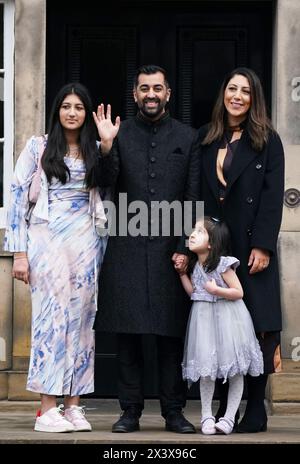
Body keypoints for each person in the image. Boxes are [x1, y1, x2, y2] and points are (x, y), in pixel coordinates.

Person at [92, 65, 200, 433]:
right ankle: (130, 412)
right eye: (143, 89)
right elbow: (104, 185)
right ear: (135, 94)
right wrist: (106, 146)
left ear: (168, 93)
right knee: (128, 337)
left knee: (171, 336)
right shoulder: (118, 136)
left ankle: (173, 411)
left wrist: (185, 245)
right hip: (125, 246)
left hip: (171, 250)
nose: (150, 94)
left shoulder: (188, 137)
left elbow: (192, 194)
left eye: (157, 88)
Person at [3, 82, 114, 433]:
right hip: (46, 239)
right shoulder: (38, 147)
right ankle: (47, 407)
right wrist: (19, 253)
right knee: (51, 320)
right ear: (57, 111)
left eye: (79, 108)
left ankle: (74, 406)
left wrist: (108, 144)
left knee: (82, 322)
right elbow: (18, 198)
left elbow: (110, 188)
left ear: (87, 113)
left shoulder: (96, 149)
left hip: (87, 241)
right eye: (66, 106)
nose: (71, 113)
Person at [198, 67, 285, 432]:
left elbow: (271, 196)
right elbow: (197, 192)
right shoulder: (205, 137)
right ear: (224, 94)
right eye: (231, 88)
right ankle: (223, 405)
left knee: (257, 324)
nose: (237, 96)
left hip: (252, 247)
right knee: (220, 325)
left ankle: (255, 406)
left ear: (254, 99)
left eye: (245, 91)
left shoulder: (267, 140)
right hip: (217, 246)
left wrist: (264, 244)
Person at [177, 217, 264, 435]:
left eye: (200, 231)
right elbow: (193, 293)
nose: (193, 234)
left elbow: (238, 292)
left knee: (234, 370)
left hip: (229, 320)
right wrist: (182, 276)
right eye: (193, 230)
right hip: (204, 320)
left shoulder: (223, 264)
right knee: (207, 369)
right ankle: (206, 415)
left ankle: (228, 418)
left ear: (211, 243)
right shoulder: (196, 266)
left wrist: (218, 291)